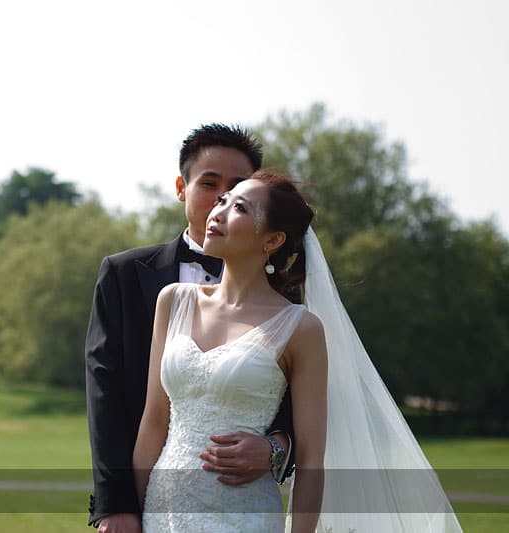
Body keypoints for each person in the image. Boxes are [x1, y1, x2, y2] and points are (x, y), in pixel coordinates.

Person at [134, 170, 464, 532]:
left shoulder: (300, 328)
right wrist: (135, 513)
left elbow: (310, 460)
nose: (219, 211)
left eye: (239, 207)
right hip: (161, 511)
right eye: (222, 201)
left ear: (272, 239)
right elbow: (153, 422)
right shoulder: (174, 300)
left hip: (241, 516)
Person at [85, 125, 297, 532]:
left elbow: (301, 399)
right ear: (182, 187)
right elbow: (104, 392)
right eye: (209, 184)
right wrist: (116, 505)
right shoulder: (125, 274)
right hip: (148, 499)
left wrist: (275, 446)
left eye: (236, 189)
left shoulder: (286, 295)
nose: (221, 199)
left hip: (241, 501)